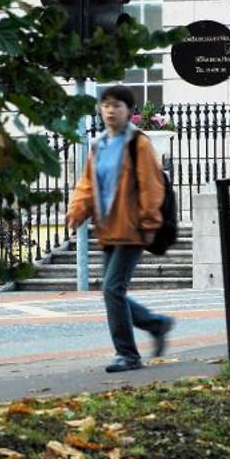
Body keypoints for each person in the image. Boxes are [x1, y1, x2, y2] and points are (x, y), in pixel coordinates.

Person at [67, 85, 175, 372]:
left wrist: (149, 222)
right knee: (113, 290)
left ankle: (128, 355)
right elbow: (88, 184)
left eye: (118, 105)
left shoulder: (137, 144)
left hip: (133, 227)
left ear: (129, 111)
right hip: (109, 228)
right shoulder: (99, 144)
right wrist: (78, 209)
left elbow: (152, 186)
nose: (111, 110)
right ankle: (157, 324)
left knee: (112, 289)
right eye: (106, 105)